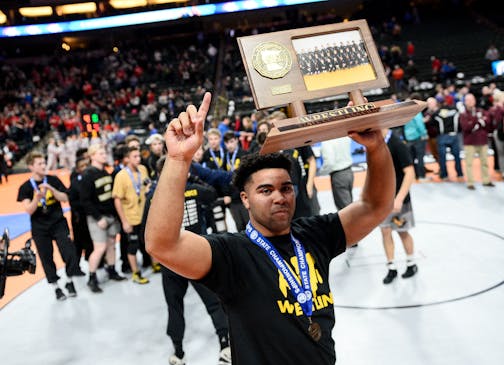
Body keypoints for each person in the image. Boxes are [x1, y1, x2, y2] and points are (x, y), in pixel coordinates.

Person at [146, 93, 395, 364]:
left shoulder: (314, 234)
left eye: (285, 188)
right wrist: (178, 160)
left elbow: (375, 206)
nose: (279, 197)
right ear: (245, 199)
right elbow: (163, 244)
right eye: (266, 190)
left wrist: (376, 145)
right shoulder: (232, 253)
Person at [150, 156, 231, 365]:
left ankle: (178, 353)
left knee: (174, 305)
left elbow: (146, 231)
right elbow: (213, 194)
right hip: (196, 254)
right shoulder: (196, 189)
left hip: (170, 260)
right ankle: (225, 345)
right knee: (213, 301)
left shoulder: (154, 196)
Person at [17, 151, 80, 300]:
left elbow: (65, 198)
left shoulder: (53, 180)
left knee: (70, 252)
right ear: (31, 166)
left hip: (58, 223)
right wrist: (37, 198)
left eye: (44, 162)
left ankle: (70, 281)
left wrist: (52, 190)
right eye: (40, 163)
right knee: (46, 258)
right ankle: (56, 287)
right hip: (40, 228)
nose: (44, 165)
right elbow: (29, 210)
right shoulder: (26, 187)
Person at [80, 144, 126, 293]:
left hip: (110, 215)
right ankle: (91, 277)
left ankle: (111, 270)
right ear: (92, 156)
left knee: (112, 244)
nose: (104, 155)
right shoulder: (88, 174)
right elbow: (85, 200)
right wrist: (98, 217)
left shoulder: (105, 172)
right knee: (100, 248)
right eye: (100, 153)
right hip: (97, 218)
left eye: (104, 153)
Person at [379, 129, 418, 284]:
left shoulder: (396, 143)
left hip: (398, 201)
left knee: (402, 231)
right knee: (385, 231)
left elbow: (410, 173)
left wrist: (399, 198)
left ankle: (411, 263)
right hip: (383, 201)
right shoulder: (378, 144)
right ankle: (391, 267)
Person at [112, 146, 151, 284]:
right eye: (135, 156)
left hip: (145, 215)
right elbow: (117, 199)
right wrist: (124, 221)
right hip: (131, 218)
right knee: (132, 246)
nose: (138, 159)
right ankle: (136, 273)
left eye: (139, 156)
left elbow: (147, 184)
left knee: (150, 241)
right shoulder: (121, 176)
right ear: (127, 158)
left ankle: (156, 263)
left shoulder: (143, 169)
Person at [459, 93, 495, 190]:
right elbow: (466, 127)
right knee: (469, 163)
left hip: (482, 141)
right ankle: (470, 183)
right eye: (468, 100)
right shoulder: (463, 114)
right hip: (469, 142)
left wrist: (475, 123)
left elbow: (487, 124)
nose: (470, 102)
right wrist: (477, 120)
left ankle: (486, 180)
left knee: (485, 162)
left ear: (474, 101)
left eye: (472, 99)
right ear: (465, 102)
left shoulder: (481, 111)